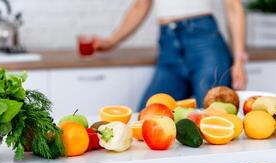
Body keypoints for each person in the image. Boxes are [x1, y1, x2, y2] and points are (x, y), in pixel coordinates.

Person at [93, 0, 247, 109]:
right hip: (168, 48)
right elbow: (140, 5)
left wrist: (239, 61)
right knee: (147, 115)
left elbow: (233, 5)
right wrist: (112, 41)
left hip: (205, 44)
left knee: (214, 117)